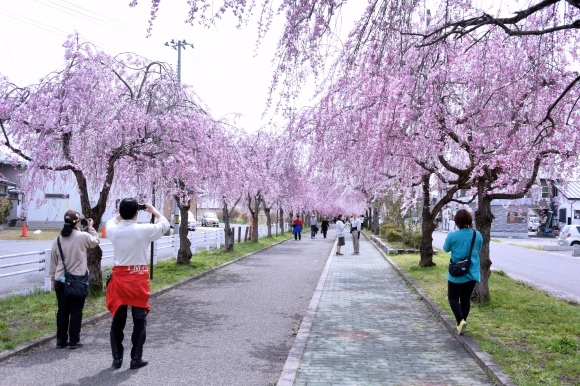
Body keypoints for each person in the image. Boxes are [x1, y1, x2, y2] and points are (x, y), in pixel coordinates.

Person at [105, 199, 170, 370]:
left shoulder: (113, 230)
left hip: (119, 280)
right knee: (139, 320)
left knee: (118, 321)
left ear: (121, 212)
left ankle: (117, 359)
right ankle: (136, 359)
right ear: (137, 212)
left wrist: (124, 213)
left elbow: (110, 221)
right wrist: (153, 211)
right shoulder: (144, 230)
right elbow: (165, 225)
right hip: (138, 280)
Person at [49, 210, 100, 349]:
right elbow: (95, 241)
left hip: (61, 280)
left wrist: (53, 280)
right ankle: (74, 340)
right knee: (76, 311)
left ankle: (61, 340)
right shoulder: (83, 236)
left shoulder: (58, 239)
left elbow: (53, 261)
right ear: (77, 222)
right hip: (78, 280)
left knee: (62, 311)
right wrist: (91, 228)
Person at [443, 209, 483, 335]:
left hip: (456, 273)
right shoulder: (478, 235)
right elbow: (478, 249)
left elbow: (445, 249)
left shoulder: (452, 235)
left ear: (457, 221)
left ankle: (460, 321)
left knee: (453, 298)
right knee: (465, 299)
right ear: (470, 221)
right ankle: (462, 322)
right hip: (472, 273)